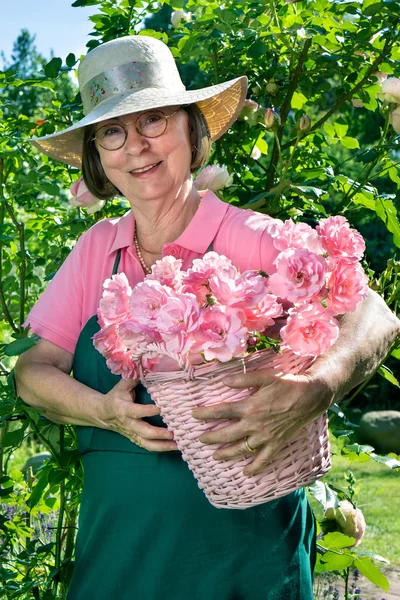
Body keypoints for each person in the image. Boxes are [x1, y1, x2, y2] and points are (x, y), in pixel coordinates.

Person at [15, 35, 399, 600]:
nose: (137, 147)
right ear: (98, 156)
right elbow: (32, 372)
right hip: (119, 555)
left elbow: (376, 313)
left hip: (244, 561)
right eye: (113, 132)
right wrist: (104, 411)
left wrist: (322, 383)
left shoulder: (249, 235)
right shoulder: (98, 248)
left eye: (155, 120)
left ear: (192, 129)